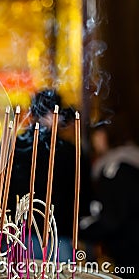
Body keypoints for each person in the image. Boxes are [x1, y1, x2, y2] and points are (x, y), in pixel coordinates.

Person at [9, 89, 91, 261]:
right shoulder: (69, 151)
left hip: (22, 233)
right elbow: (82, 194)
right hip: (56, 234)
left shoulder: (15, 147)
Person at [80, 113, 139, 277]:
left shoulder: (114, 169)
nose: (95, 140)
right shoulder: (131, 161)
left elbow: (112, 216)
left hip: (129, 249)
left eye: (98, 134)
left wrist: (83, 230)